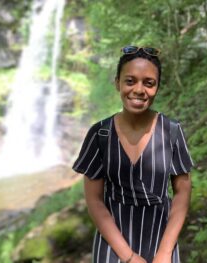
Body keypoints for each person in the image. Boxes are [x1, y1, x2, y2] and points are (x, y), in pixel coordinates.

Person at [72, 46, 193, 263]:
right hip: (114, 244)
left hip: (161, 238)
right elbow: (94, 200)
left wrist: (165, 253)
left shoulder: (171, 131)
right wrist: (128, 257)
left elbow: (182, 193)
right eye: (130, 81)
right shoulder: (100, 134)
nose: (139, 89)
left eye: (149, 83)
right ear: (117, 82)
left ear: (157, 87)